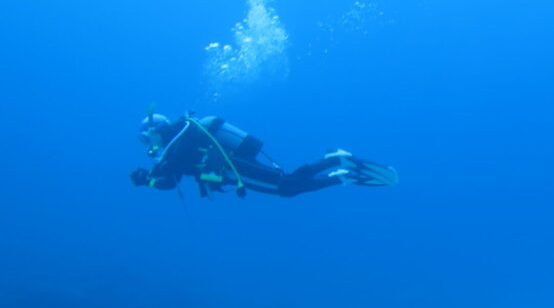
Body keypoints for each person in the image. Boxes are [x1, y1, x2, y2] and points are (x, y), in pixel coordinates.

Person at [130, 111, 398, 198]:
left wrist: (150, 178)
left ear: (156, 131)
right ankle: (339, 172)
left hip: (231, 167)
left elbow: (169, 178)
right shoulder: (177, 143)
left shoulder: (177, 144)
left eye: (146, 137)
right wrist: (149, 179)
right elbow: (169, 180)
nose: (146, 144)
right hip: (231, 168)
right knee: (287, 185)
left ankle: (336, 163)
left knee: (286, 186)